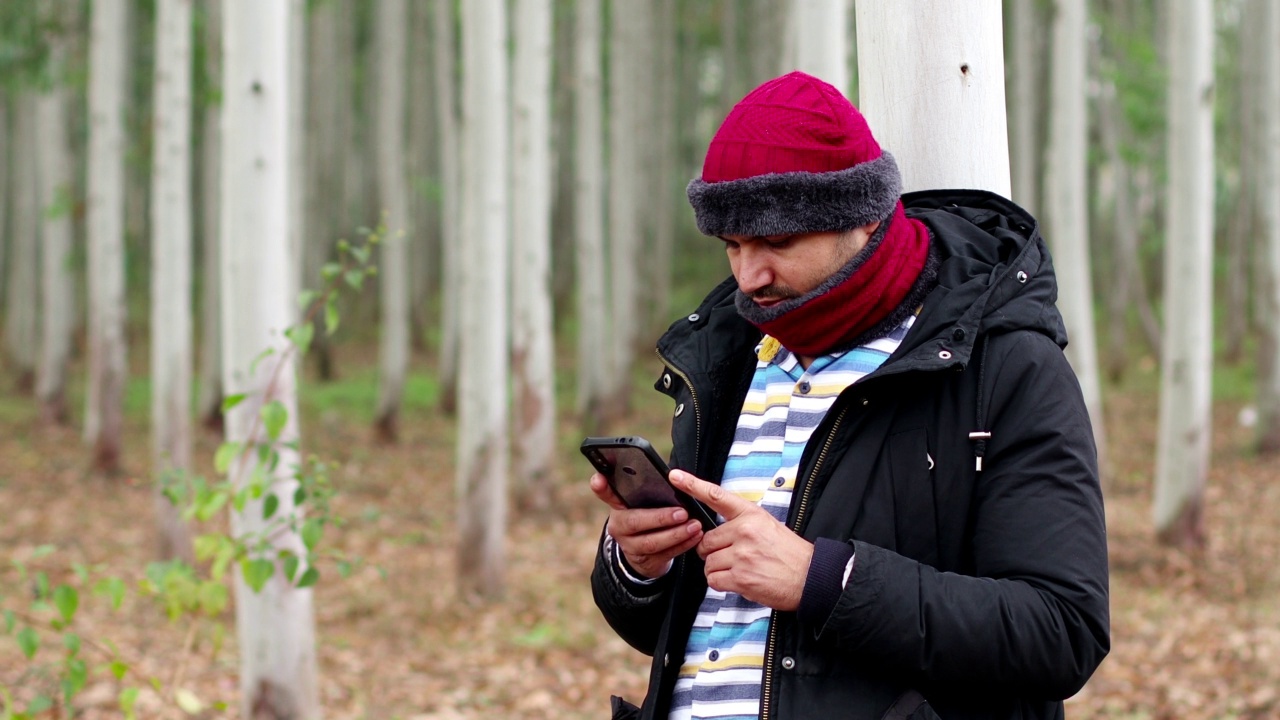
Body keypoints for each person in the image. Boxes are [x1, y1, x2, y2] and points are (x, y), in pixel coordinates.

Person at [588, 71, 1110, 720]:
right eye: (733, 245)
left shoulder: (1002, 363)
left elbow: (1061, 631)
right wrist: (642, 566)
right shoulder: (731, 357)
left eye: (778, 242)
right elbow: (699, 630)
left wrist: (826, 582)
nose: (750, 277)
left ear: (864, 217)